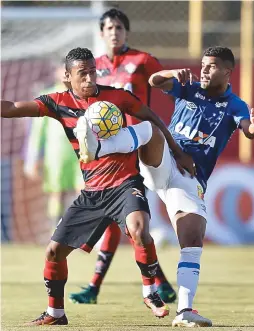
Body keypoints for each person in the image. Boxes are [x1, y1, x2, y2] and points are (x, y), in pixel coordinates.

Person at [1, 47, 194, 326]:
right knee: (54, 253)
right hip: (92, 191)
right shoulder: (57, 102)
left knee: (140, 229)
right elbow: (12, 109)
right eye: (83, 73)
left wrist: (176, 151)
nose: (90, 78)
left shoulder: (117, 96)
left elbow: (152, 119)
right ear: (68, 77)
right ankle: (55, 313)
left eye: (93, 71)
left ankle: (150, 291)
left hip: (125, 183)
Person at [76, 46, 254, 327]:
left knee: (193, 237)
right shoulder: (189, 87)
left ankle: (185, 310)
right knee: (151, 127)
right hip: (164, 160)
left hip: (188, 179)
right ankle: (99, 144)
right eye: (203, 64)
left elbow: (247, 129)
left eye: (211, 66)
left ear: (227, 71)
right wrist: (171, 72)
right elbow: (155, 81)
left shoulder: (235, 104)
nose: (204, 70)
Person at [69, 8, 176, 305]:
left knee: (126, 220)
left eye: (119, 27)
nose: (114, 32)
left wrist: (174, 80)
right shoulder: (94, 69)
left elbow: (167, 83)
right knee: (121, 221)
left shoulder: (141, 60)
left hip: (139, 147)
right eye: (109, 27)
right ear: (101, 33)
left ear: (126, 32)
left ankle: (100, 286)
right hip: (109, 153)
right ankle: (158, 282)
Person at [24, 62, 83, 229]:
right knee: (57, 193)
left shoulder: (83, 93)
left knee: (84, 192)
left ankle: (81, 233)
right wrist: (32, 158)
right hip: (56, 153)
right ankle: (56, 232)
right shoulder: (47, 96)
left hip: (81, 151)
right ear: (57, 71)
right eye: (62, 69)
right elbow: (38, 131)